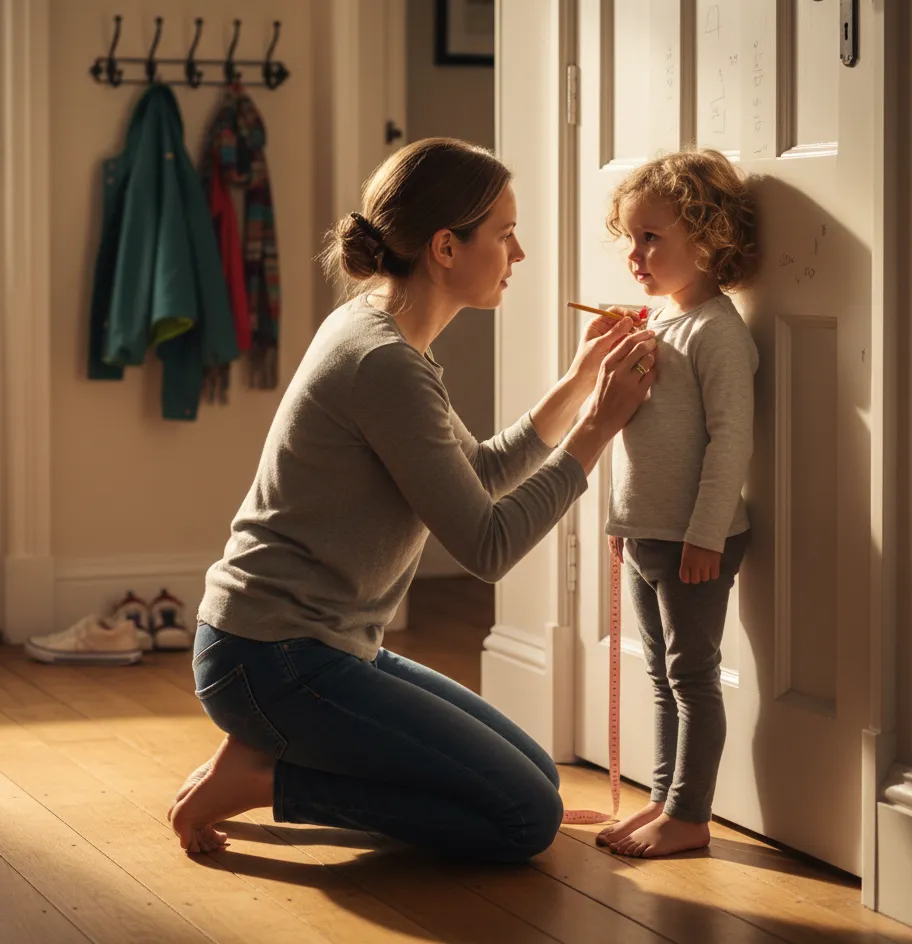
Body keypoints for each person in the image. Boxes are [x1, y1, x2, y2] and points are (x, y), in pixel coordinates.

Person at [168, 137, 657, 861]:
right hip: (273, 658)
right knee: (523, 819)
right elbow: (486, 546)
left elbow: (480, 474)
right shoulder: (384, 362)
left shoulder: (382, 331)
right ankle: (267, 781)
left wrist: (582, 380)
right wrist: (596, 430)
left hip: (316, 645)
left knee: (536, 784)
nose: (517, 254)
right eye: (504, 234)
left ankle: (260, 756)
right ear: (445, 248)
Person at [597, 149, 759, 858]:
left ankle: (690, 816)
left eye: (651, 237)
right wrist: (617, 523)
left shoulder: (718, 332)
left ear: (708, 236)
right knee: (662, 676)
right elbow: (634, 434)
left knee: (693, 677)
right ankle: (665, 799)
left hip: (696, 538)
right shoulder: (659, 324)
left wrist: (707, 535)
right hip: (646, 534)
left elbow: (731, 444)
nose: (634, 254)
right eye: (630, 238)